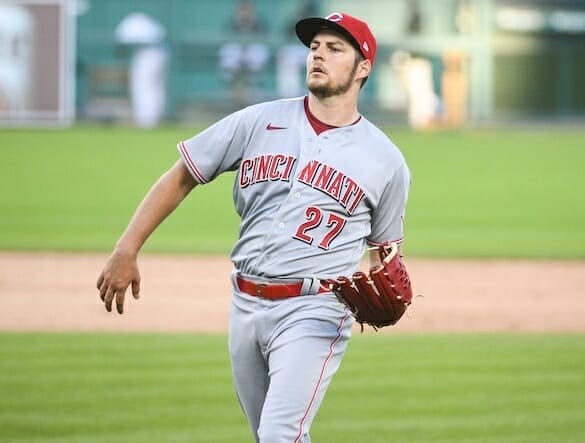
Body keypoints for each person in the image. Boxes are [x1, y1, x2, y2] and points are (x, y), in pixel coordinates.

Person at [97, 11, 412, 442]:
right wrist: (126, 249)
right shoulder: (258, 121)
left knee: (280, 435)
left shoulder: (385, 159)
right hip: (244, 302)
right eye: (314, 47)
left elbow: (385, 252)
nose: (318, 55)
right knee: (267, 435)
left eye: (335, 49)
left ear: (363, 68)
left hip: (315, 309)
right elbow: (182, 175)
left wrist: (382, 280)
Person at [115, 12, 169, 128]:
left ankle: (148, 120)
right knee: (150, 88)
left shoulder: (143, 31)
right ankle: (150, 119)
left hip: (150, 54)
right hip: (154, 53)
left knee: (146, 88)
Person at [218, 0, 271, 102]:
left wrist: (251, 22)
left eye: (247, 10)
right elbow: (228, 39)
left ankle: (251, 89)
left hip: (253, 50)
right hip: (237, 50)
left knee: (258, 54)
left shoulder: (259, 23)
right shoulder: (232, 23)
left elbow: (264, 39)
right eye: (242, 10)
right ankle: (234, 90)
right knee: (228, 53)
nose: (245, 13)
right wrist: (239, 21)